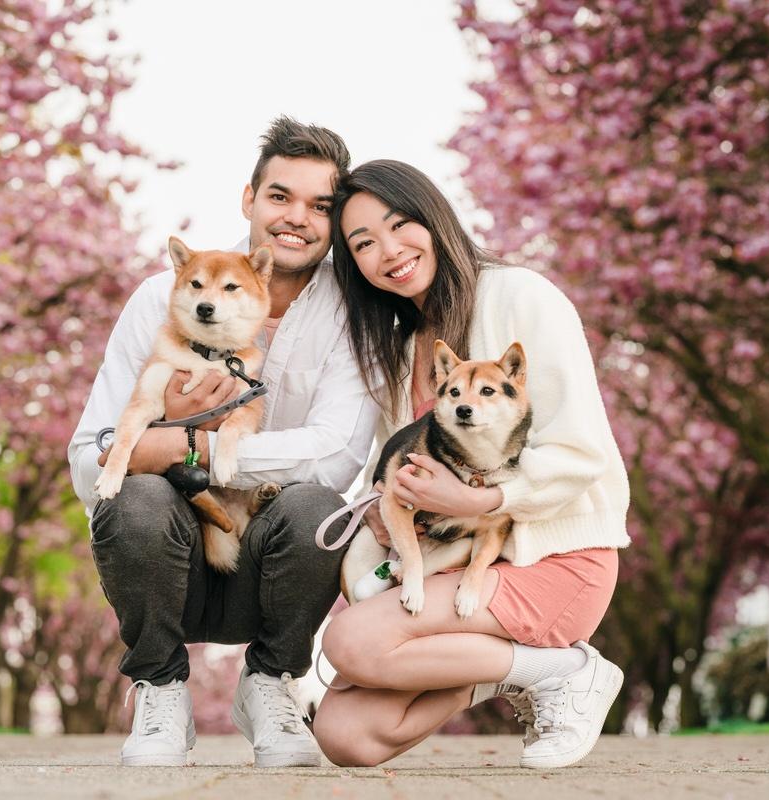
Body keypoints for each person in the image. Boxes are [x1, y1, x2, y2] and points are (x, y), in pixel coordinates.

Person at [68, 118, 379, 768]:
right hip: (165, 561)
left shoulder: (352, 320)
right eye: (279, 196)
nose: (296, 217)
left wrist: (188, 447)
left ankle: (270, 681)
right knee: (135, 495)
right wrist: (153, 441)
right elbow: (88, 457)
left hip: (268, 567)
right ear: (249, 198)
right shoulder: (162, 298)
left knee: (322, 507)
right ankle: (159, 688)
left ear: (338, 219)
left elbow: (336, 456)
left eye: (321, 206)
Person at [311, 160, 631, 769]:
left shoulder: (520, 296)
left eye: (400, 225)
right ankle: (501, 670)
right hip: (454, 568)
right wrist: (385, 505)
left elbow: (583, 450)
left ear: (434, 217)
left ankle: (567, 671)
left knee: (350, 640)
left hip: (552, 558)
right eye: (364, 244)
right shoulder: (404, 350)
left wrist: (482, 501)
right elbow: (402, 469)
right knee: (347, 735)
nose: (389, 251)